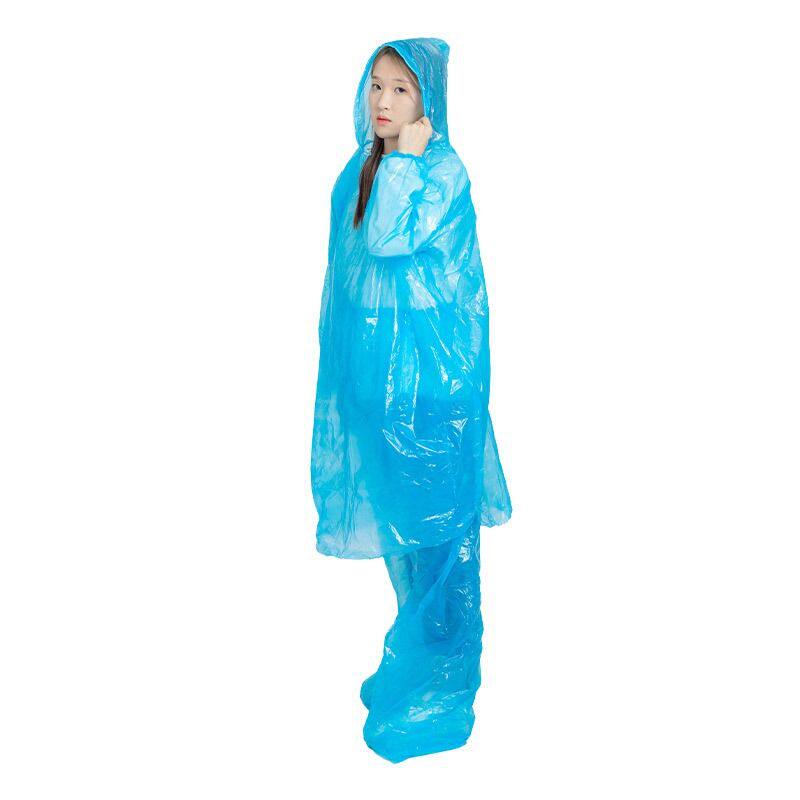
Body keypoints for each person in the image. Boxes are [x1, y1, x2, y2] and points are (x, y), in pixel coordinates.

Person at [310, 37, 512, 762]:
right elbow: (347, 279)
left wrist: (404, 160)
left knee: (441, 538)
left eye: (401, 89)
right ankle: (418, 657)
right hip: (376, 387)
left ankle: (444, 684)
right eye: (376, 86)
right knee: (404, 531)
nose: (383, 101)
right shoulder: (364, 166)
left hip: (431, 391)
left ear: (429, 100)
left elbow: (390, 242)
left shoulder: (437, 169)